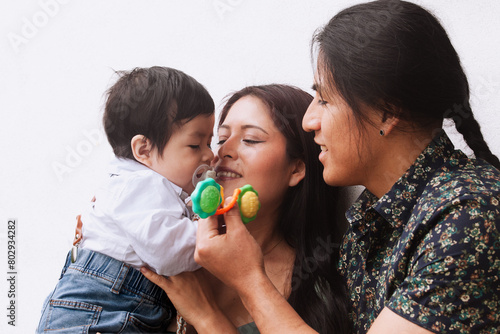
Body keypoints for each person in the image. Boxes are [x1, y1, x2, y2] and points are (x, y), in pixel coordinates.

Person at [146, 1, 500, 334]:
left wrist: (247, 283)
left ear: (387, 112)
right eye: (218, 139)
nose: (309, 120)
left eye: (325, 99)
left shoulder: (471, 213)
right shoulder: (369, 219)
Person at [143, 84, 351, 333]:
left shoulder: (314, 288)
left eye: (250, 140)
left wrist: (206, 317)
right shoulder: (165, 235)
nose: (221, 152)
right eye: (219, 139)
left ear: (296, 169)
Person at [36, 66, 215, 333]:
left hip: (115, 306)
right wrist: (215, 226)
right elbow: (170, 252)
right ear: (144, 149)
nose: (210, 155)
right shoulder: (141, 185)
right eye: (195, 145)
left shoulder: (140, 185)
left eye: (211, 142)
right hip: (96, 311)